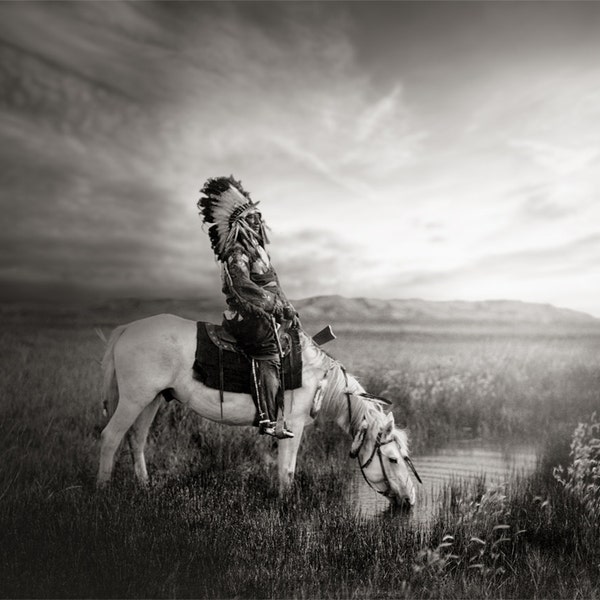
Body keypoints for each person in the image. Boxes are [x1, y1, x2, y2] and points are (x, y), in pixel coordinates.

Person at [197, 175, 299, 439]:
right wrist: (274, 305)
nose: (257, 221)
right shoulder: (236, 252)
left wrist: (287, 308)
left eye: (258, 216)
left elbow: (273, 284)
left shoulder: (260, 251)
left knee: (293, 338)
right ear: (239, 223)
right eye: (251, 218)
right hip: (247, 315)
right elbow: (242, 286)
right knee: (267, 347)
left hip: (268, 311)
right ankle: (267, 418)